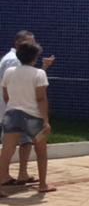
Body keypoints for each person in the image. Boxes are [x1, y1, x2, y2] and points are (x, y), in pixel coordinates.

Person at [0, 40, 55, 196]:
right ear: (35, 57)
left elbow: (5, 95)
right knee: (41, 152)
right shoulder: (39, 73)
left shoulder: (9, 71)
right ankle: (43, 185)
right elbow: (41, 99)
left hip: (12, 114)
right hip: (33, 116)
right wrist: (45, 120)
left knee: (6, 151)